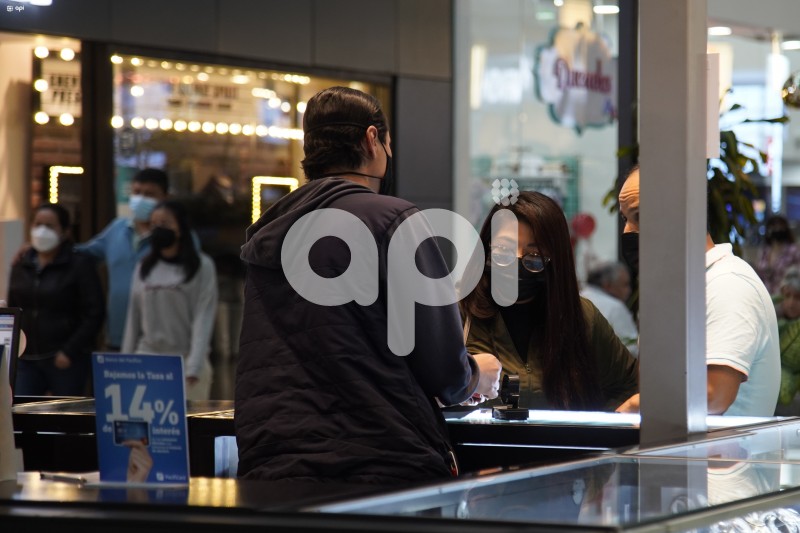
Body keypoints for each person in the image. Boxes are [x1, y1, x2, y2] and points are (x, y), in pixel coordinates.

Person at [235, 86, 502, 484]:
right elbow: (445, 371)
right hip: (380, 462)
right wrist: (478, 373)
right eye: (388, 143)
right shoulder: (393, 220)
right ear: (373, 139)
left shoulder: (270, 233)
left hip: (274, 465)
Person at [617, 166, 780, 416]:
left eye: (639, 216)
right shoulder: (673, 291)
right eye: (625, 219)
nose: (628, 231)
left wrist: (633, 406)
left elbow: (714, 396)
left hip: (729, 454)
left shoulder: (727, 283)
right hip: (679, 453)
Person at [460, 191, 639, 411]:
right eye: (503, 249)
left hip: (565, 445)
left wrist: (601, 429)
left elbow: (628, 387)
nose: (516, 260)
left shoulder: (581, 318)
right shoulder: (457, 315)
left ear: (554, 261)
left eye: (533, 255)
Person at [121, 200, 218, 401]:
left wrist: (194, 365)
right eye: (154, 224)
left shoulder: (202, 266)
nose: (159, 229)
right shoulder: (144, 267)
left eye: (165, 224)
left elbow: (204, 316)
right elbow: (133, 318)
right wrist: (126, 363)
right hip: (147, 358)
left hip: (186, 360)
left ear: (180, 228)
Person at [7, 203, 105, 396]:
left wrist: (70, 350)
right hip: (26, 358)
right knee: (22, 414)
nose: (42, 230)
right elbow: (14, 308)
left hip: (65, 359)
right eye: (38, 224)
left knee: (64, 420)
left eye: (50, 226)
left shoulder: (79, 264)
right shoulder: (22, 263)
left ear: (65, 231)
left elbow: (94, 312)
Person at [79, 168, 169, 350]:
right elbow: (81, 255)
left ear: (165, 198)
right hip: (117, 337)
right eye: (137, 192)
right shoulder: (117, 229)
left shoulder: (175, 237)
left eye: (149, 194)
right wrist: (39, 249)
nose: (141, 199)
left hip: (160, 342)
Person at [580, 261, 639, 357]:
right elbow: (631, 349)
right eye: (625, 284)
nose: (629, 290)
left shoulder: (581, 298)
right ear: (608, 286)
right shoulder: (615, 307)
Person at [755, 215, 800, 295]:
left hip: (785, 298)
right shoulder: (764, 251)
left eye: (780, 227)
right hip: (766, 296)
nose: (777, 230)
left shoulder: (793, 250)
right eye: (774, 227)